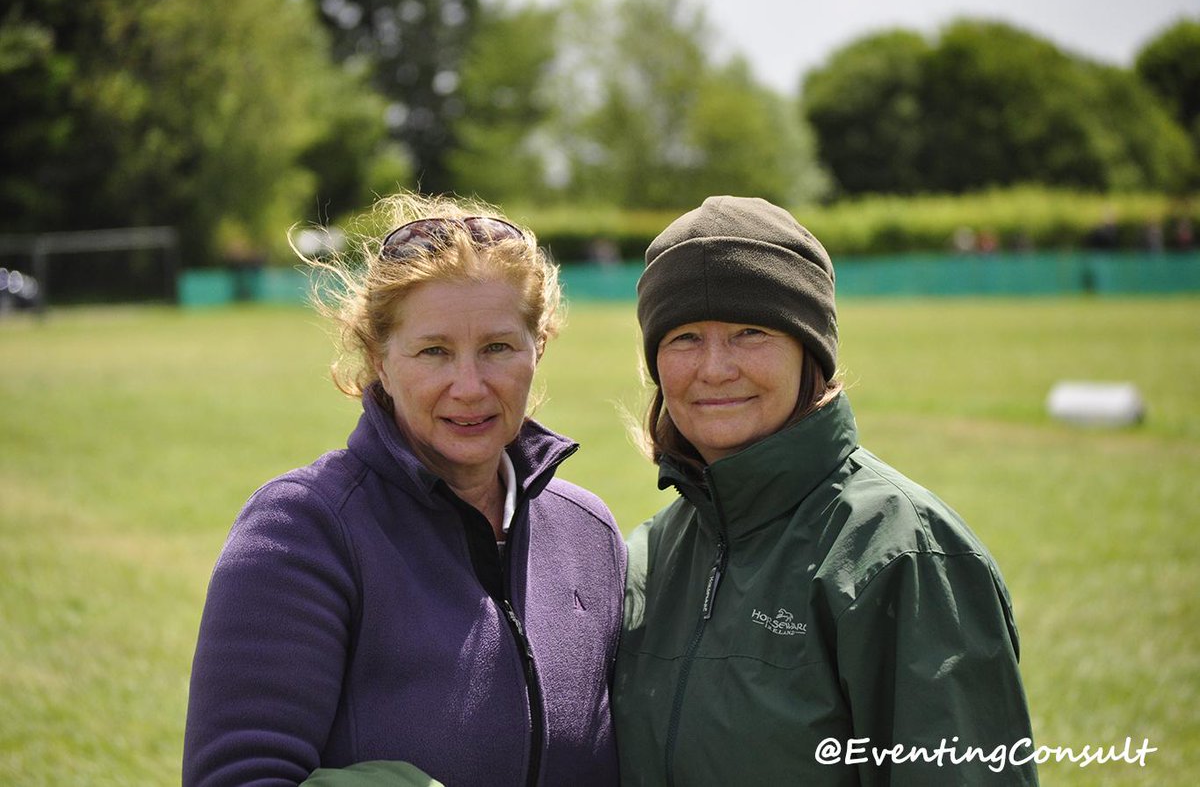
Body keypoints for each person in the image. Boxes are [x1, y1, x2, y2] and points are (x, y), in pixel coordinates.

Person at [183, 192, 626, 786]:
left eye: (497, 348)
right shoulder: (303, 530)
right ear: (380, 361)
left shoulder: (588, 534)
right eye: (434, 351)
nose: (469, 386)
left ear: (537, 347)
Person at [612, 196, 1037, 785]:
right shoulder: (644, 559)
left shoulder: (903, 554)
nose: (714, 368)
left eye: (750, 332)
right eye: (684, 337)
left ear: (809, 350)